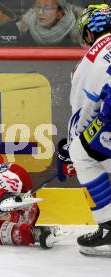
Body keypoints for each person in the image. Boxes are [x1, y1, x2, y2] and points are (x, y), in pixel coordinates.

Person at [57, 4, 111, 257]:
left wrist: (71, 145)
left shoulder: (90, 60)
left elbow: (83, 112)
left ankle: (109, 228)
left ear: (89, 33)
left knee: (81, 152)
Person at [16, 0, 83, 46]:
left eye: (47, 8)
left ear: (60, 13)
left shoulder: (80, 36)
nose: (40, 12)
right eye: (38, 7)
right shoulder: (24, 31)